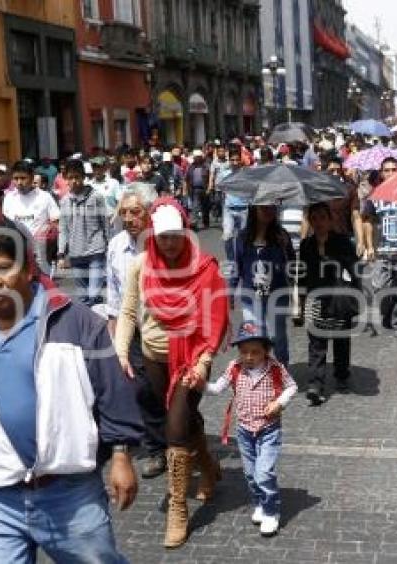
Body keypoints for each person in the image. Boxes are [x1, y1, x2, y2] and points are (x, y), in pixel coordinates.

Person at [0, 224, 141, 562]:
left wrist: (121, 457)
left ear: (28, 267)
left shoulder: (73, 320)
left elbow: (112, 391)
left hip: (70, 494)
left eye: (4, 267)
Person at [114, 198, 229, 549]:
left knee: (175, 427)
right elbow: (129, 312)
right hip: (153, 356)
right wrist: (120, 351)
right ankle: (208, 465)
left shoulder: (203, 267)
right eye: (164, 236)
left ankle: (177, 507)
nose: (170, 243)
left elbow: (216, 316)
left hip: (190, 357)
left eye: (176, 235)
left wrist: (204, 361)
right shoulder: (140, 265)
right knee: (182, 418)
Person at [201, 322, 297, 537]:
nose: (249, 356)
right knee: (251, 474)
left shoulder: (275, 368)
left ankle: (272, 511)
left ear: (266, 351)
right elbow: (216, 388)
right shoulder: (235, 367)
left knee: (264, 472)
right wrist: (200, 385)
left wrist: (279, 403)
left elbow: (292, 387)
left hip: (268, 429)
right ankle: (260, 503)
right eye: (244, 351)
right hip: (244, 431)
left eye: (255, 352)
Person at [105, 186, 168, 479]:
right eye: (124, 212)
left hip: (166, 328)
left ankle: (183, 439)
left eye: (135, 212)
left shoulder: (163, 241)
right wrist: (115, 334)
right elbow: (115, 295)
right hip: (134, 328)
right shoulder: (116, 245)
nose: (128, 218)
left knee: (170, 390)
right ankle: (157, 449)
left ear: (149, 213)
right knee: (141, 389)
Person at [299, 203, 361, 405]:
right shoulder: (306, 245)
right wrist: (300, 301)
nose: (318, 222)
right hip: (315, 298)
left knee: (341, 339)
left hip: (338, 298)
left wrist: (356, 296)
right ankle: (315, 384)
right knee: (316, 343)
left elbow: (354, 270)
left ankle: (341, 374)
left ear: (330, 220)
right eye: (314, 218)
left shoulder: (342, 242)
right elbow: (302, 275)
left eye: (322, 218)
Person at [231, 205, 295, 366]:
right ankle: (260, 372)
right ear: (254, 209)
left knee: (277, 336)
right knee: (255, 336)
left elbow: (293, 265)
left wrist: (284, 255)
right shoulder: (243, 237)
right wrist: (230, 292)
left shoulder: (281, 236)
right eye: (263, 207)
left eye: (272, 207)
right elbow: (236, 267)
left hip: (277, 294)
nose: (268, 211)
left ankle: (281, 369)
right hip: (250, 296)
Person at [363, 157, 397, 340]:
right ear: (381, 172)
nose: (391, 173)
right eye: (387, 170)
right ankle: (390, 309)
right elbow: (368, 222)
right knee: (377, 285)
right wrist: (369, 246)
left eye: (394, 169)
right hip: (382, 250)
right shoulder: (375, 195)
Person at [57, 159, 108, 306]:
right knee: (84, 297)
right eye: (71, 177)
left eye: (77, 177)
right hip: (76, 254)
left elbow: (104, 223)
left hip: (96, 251)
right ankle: (93, 322)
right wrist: (61, 253)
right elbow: (63, 229)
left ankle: (98, 318)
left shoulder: (96, 197)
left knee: (93, 293)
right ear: (65, 179)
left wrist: (109, 246)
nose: (75, 181)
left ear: (83, 177)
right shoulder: (65, 201)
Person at [2, 160, 60, 275]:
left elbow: (56, 222)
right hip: (17, 255)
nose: (19, 182)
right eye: (16, 178)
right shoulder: (9, 198)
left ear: (32, 177)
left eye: (23, 178)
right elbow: (5, 224)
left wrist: (48, 236)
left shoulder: (45, 197)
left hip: (40, 256)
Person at [184, 150, 210, 230]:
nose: (197, 159)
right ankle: (194, 223)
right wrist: (185, 189)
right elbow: (186, 178)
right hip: (194, 189)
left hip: (205, 189)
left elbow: (210, 178)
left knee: (205, 207)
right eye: (196, 157)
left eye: (198, 157)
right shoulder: (191, 167)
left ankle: (206, 222)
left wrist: (209, 188)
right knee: (195, 206)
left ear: (201, 157)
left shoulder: (206, 166)